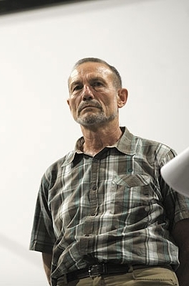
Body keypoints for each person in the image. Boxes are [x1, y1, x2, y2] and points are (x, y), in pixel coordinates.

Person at [30, 57, 189, 286]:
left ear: (121, 97)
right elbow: (48, 251)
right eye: (77, 88)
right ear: (70, 104)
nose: (86, 94)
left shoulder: (158, 156)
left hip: (142, 277)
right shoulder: (53, 175)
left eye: (97, 84)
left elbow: (186, 233)